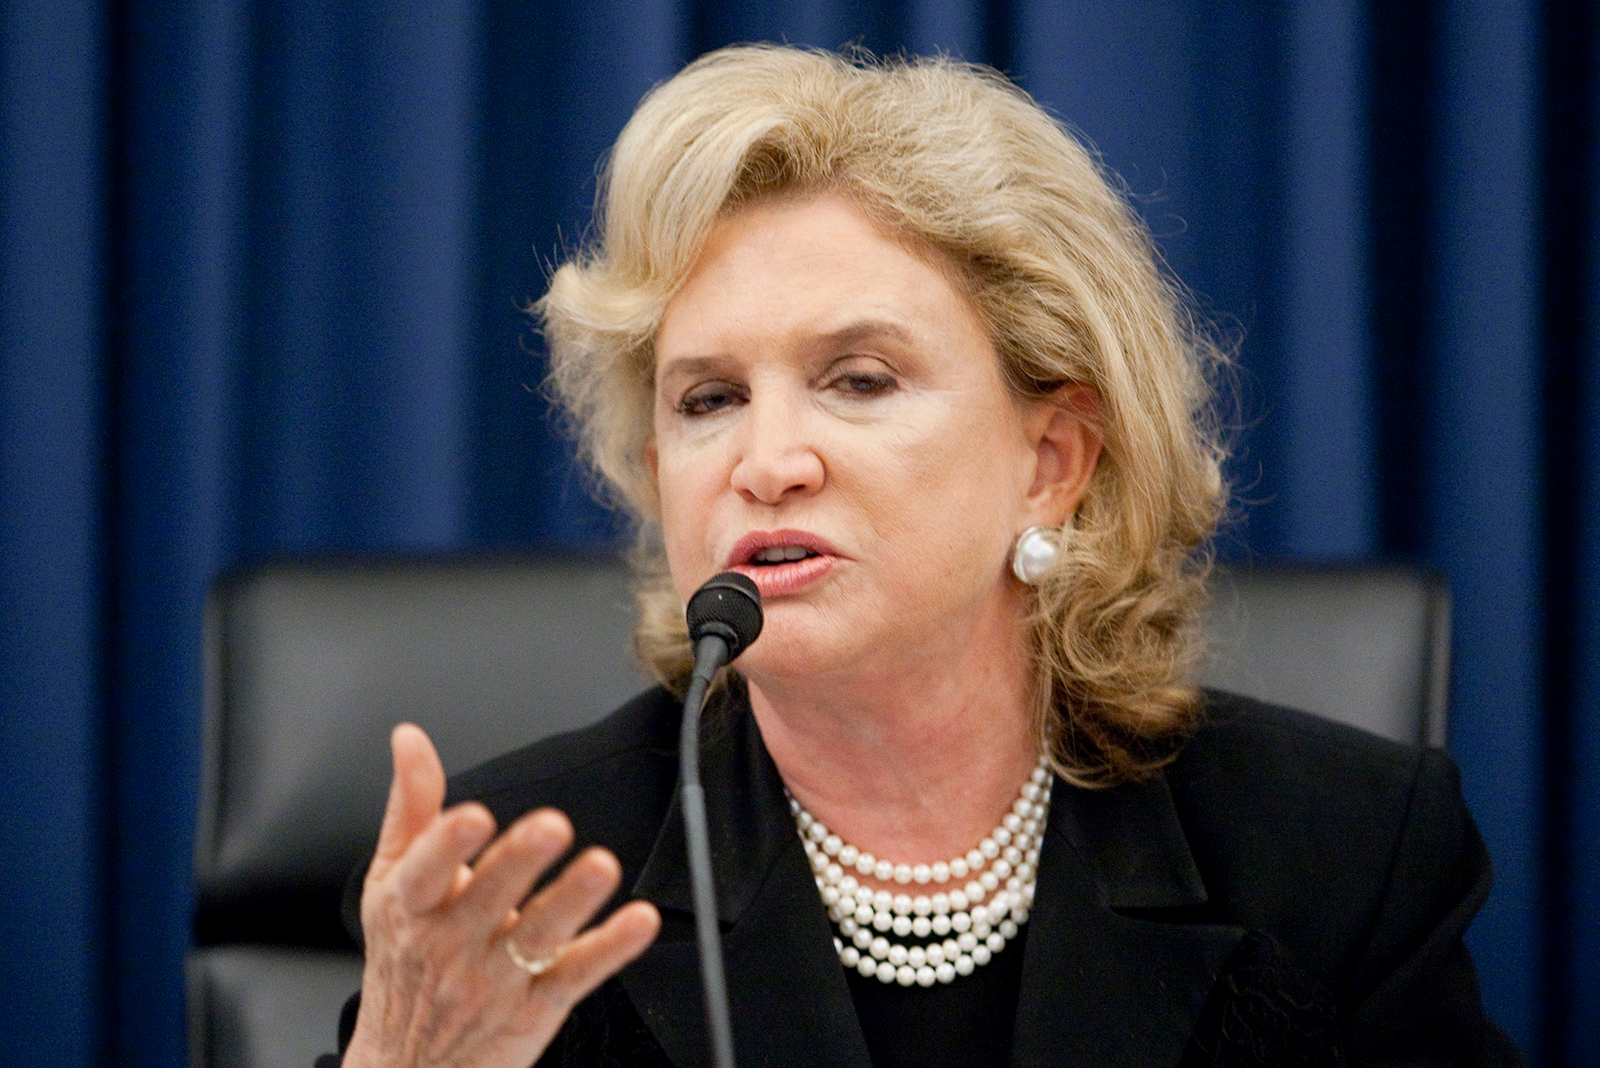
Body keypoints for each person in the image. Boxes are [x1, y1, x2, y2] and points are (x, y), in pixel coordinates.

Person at [326, 45, 1520, 1068]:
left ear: (1050, 460)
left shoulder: (1345, 855)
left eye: (857, 379)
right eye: (708, 398)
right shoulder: (516, 889)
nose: (767, 459)